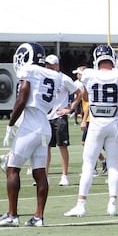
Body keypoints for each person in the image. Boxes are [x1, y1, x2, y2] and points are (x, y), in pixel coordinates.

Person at [0, 41, 77, 227]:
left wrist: (10, 124)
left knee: (12, 168)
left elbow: (22, 98)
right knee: (40, 173)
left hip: (30, 125)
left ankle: (12, 215)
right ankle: (38, 217)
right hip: (45, 126)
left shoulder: (30, 71)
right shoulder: (55, 75)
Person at [65, 43, 118, 219]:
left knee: (88, 164)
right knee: (113, 165)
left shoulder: (89, 74)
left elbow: (86, 96)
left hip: (96, 124)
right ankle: (112, 204)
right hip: (114, 124)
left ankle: (81, 204)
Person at [35, 55, 74, 187]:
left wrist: (69, 108)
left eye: (51, 65)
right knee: (45, 147)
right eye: (47, 65)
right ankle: (44, 176)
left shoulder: (64, 79)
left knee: (62, 146)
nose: (49, 67)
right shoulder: (43, 77)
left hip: (59, 116)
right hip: (46, 116)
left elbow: (79, 93)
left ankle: (64, 175)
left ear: (57, 65)